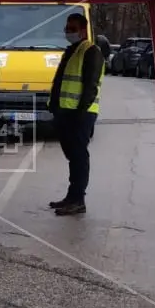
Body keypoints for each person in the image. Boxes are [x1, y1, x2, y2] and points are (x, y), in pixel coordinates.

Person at [47, 13, 105, 216]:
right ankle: (71, 197)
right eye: (67, 28)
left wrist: (80, 112)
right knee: (72, 156)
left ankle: (78, 199)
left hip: (80, 114)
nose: (68, 32)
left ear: (82, 30)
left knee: (79, 157)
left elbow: (90, 86)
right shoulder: (72, 50)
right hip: (65, 112)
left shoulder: (91, 51)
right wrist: (54, 106)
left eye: (72, 29)